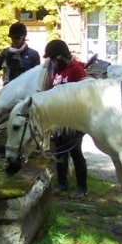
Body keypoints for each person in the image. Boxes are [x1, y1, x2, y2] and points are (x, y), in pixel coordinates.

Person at [45, 39, 88, 198]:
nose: (51, 62)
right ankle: (63, 184)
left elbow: (83, 95)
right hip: (60, 120)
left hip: (74, 119)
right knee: (60, 152)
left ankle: (82, 188)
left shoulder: (76, 70)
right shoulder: (58, 71)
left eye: (52, 58)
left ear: (60, 56)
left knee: (76, 152)